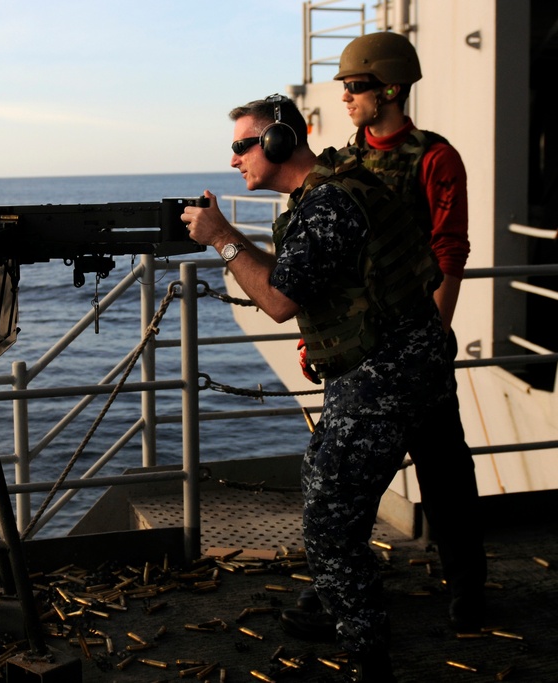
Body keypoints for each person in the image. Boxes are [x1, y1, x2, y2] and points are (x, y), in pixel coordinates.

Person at [183, 94, 452, 683]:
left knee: (328, 519)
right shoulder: (330, 192)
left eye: (241, 146)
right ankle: (342, 607)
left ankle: (367, 657)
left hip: (386, 374)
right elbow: (298, 279)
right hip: (398, 362)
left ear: (277, 141)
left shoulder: (327, 204)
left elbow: (277, 300)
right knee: (342, 507)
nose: (234, 162)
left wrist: (223, 238)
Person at [328, 31, 487, 632]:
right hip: (360, 348)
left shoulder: (434, 158)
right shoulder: (342, 163)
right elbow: (333, 264)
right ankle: (340, 586)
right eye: (344, 86)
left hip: (413, 342)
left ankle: (468, 586)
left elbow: (450, 249)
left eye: (356, 86)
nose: (346, 96)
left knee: (445, 471)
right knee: (349, 476)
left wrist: (433, 338)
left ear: (390, 89)